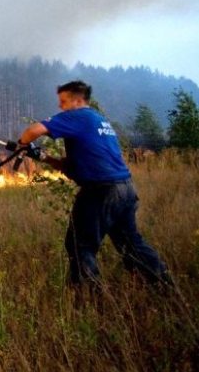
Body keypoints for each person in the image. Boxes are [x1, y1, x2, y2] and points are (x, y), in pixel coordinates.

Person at [17, 80, 170, 287]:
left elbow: (33, 130)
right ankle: (165, 286)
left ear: (78, 101)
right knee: (131, 244)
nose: (61, 107)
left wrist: (22, 144)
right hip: (124, 189)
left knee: (80, 246)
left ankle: (89, 296)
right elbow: (78, 165)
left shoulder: (79, 116)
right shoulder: (99, 120)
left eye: (63, 102)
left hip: (101, 191)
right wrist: (43, 157)